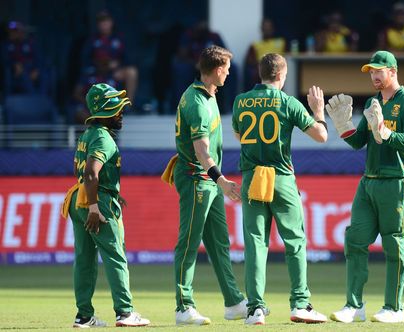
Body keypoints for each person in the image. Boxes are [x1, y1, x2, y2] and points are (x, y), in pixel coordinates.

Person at [232, 53, 329, 325]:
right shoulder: (288, 102)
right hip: (281, 177)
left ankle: (255, 309)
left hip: (252, 177)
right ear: (282, 76)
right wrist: (318, 112)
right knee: (295, 241)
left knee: (254, 244)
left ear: (260, 73)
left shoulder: (241, 101)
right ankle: (300, 304)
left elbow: (239, 136)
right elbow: (321, 136)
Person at [327, 50, 404, 323]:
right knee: (355, 240)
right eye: (371, 71)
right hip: (368, 182)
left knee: (393, 243)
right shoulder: (372, 101)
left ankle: (395, 308)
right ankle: (353, 306)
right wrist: (344, 126)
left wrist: (385, 132)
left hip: (396, 181)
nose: (374, 76)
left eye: (378, 70)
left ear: (393, 71)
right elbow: (359, 141)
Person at [167, 45, 246, 325]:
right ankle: (183, 306)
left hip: (207, 182)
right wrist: (221, 180)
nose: (228, 73)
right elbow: (201, 151)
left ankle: (234, 302)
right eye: (225, 68)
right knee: (188, 243)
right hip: (197, 180)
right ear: (215, 70)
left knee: (218, 243)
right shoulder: (199, 103)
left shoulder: (204, 95)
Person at [61, 83, 150, 328]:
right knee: (115, 257)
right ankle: (125, 313)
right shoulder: (103, 138)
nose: (121, 113)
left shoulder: (87, 135)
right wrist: (95, 206)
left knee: (84, 260)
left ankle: (84, 316)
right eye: (117, 108)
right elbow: (91, 173)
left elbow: (84, 173)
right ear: (105, 111)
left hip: (80, 199)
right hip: (96, 203)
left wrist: (110, 191)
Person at [82, 11, 138, 102]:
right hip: (98, 71)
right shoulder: (92, 40)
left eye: (106, 21)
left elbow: (127, 58)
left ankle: (128, 104)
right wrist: (98, 64)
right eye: (101, 22)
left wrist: (118, 65)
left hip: (114, 71)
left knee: (132, 72)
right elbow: (85, 60)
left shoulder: (118, 39)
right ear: (98, 25)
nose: (104, 24)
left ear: (111, 22)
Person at [244, 18, 287, 90]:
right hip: (262, 71)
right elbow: (249, 61)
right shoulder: (255, 45)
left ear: (273, 28)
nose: (267, 29)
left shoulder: (281, 42)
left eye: (269, 27)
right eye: (265, 27)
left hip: (279, 71)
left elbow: (288, 57)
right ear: (261, 29)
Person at [2, 21, 43, 94]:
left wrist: (36, 69)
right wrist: (14, 65)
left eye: (15, 31)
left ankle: (42, 99)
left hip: (31, 67)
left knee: (44, 76)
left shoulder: (30, 43)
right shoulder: (6, 45)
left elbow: (38, 58)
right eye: (11, 32)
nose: (12, 34)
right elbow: (4, 60)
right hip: (17, 70)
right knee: (23, 75)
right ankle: (34, 98)